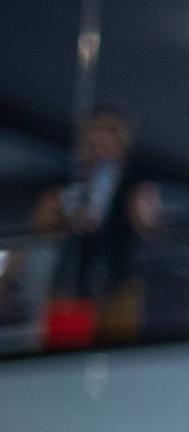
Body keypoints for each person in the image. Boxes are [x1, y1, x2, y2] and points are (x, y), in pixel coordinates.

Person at [32, 108, 160, 349]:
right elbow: (40, 230)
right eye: (93, 132)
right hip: (70, 284)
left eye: (110, 132)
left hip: (116, 283)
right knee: (65, 355)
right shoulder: (66, 183)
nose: (100, 140)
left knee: (115, 351)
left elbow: (148, 226)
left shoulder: (133, 184)